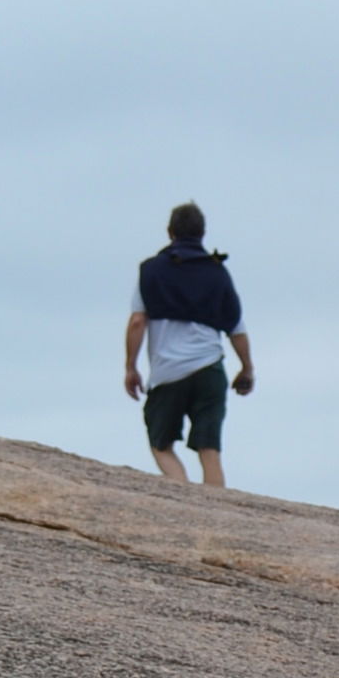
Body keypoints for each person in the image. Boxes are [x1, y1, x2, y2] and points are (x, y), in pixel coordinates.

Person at [122, 203, 255, 488]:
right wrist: (246, 367)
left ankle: (181, 493)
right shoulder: (218, 274)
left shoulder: (152, 271)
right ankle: (215, 511)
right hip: (209, 369)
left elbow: (137, 322)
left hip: (167, 373)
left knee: (161, 443)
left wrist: (130, 367)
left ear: (170, 232)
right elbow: (236, 328)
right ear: (203, 233)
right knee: (210, 451)